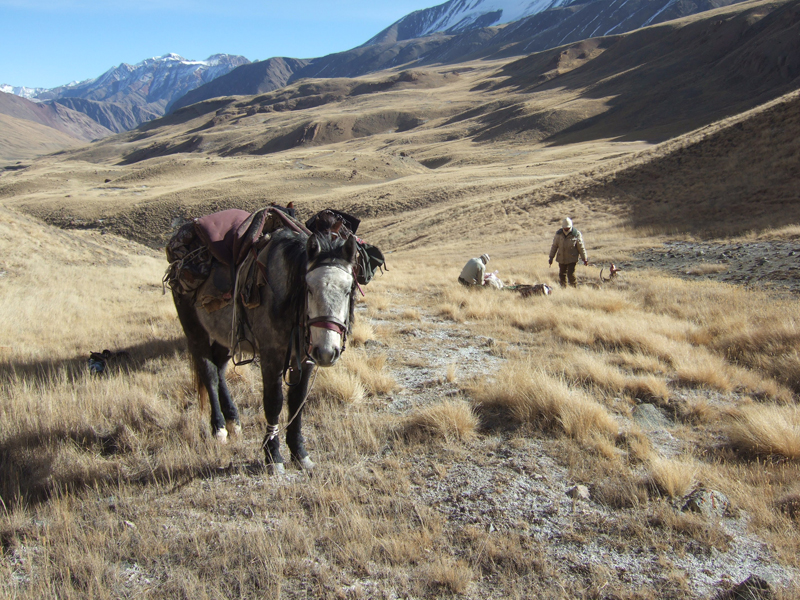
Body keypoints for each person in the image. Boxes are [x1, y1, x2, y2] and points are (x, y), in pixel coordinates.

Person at [548, 217, 588, 288]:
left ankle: (574, 288)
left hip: (572, 259)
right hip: (562, 259)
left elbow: (581, 248)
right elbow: (554, 246)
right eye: (565, 228)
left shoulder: (576, 234)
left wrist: (584, 258)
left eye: (568, 228)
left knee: (571, 274)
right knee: (562, 275)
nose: (566, 229)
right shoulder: (558, 234)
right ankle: (564, 289)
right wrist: (551, 257)